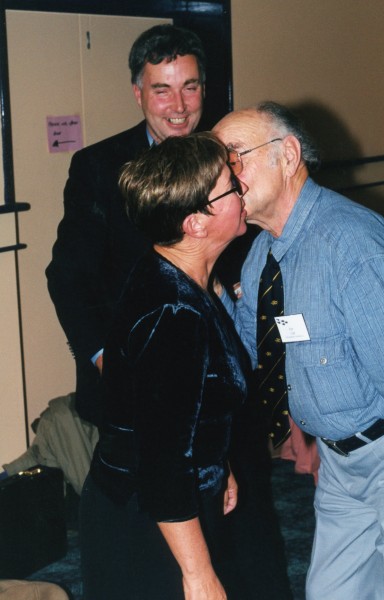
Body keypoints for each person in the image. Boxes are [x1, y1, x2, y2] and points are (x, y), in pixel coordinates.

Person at [213, 101, 384, 599]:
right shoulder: (262, 255)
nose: (224, 172)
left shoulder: (351, 246)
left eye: (234, 155)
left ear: (288, 155)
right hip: (340, 470)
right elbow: (242, 357)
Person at [80, 132, 249, 599]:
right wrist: (198, 574)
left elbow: (183, 411)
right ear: (196, 222)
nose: (243, 189)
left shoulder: (175, 276)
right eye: (231, 185)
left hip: (166, 504)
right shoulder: (173, 313)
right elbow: (162, 462)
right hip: (147, 522)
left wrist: (220, 463)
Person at [46, 24, 206, 426]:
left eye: (190, 87)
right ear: (138, 94)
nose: (179, 106)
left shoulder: (226, 158)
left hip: (210, 372)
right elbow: (67, 277)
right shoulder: (99, 168)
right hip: (130, 379)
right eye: (162, 90)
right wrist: (104, 358)